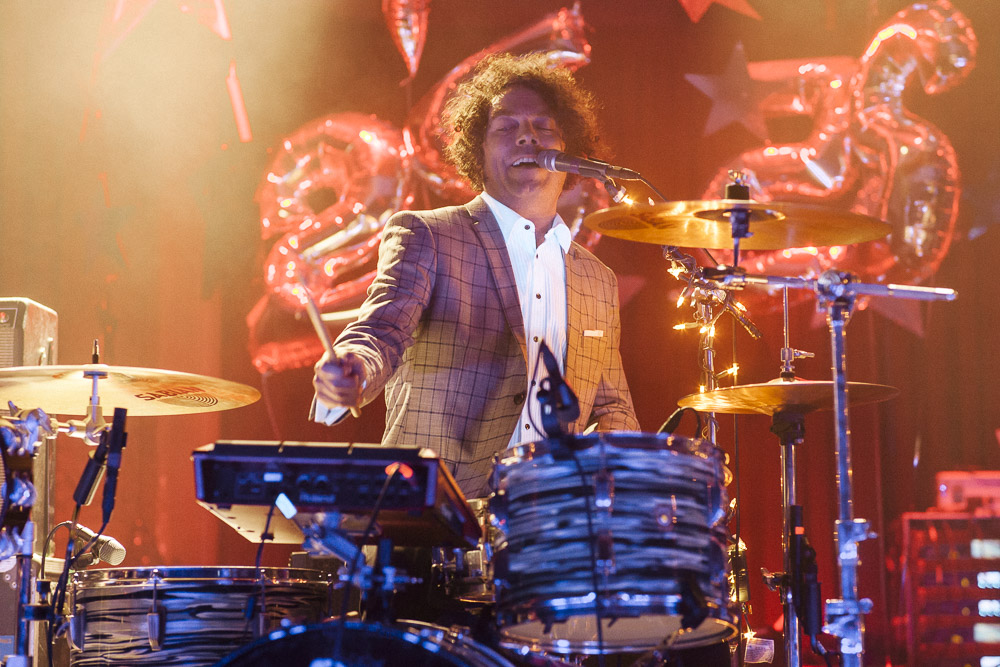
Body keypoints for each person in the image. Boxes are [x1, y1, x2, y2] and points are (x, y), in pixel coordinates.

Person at [312, 52, 639, 499]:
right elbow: (380, 332)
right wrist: (353, 369)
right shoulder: (428, 235)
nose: (527, 136)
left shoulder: (598, 279)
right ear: (478, 153)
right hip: (436, 512)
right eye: (506, 128)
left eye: (544, 127)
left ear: (570, 151)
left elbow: (612, 407)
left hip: (551, 520)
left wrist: (629, 485)